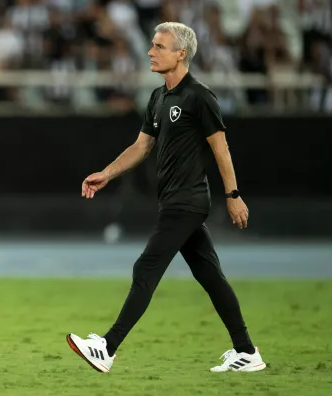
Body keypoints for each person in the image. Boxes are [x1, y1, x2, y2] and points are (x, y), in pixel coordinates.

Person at [65, 22, 266, 373]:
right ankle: (246, 352)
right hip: (173, 200)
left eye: (159, 46)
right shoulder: (159, 98)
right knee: (210, 277)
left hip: (187, 201)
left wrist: (233, 195)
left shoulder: (199, 96)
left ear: (181, 53)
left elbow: (221, 151)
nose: (150, 52)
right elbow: (142, 146)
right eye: (152, 45)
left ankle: (107, 348)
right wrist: (107, 173)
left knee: (146, 267)